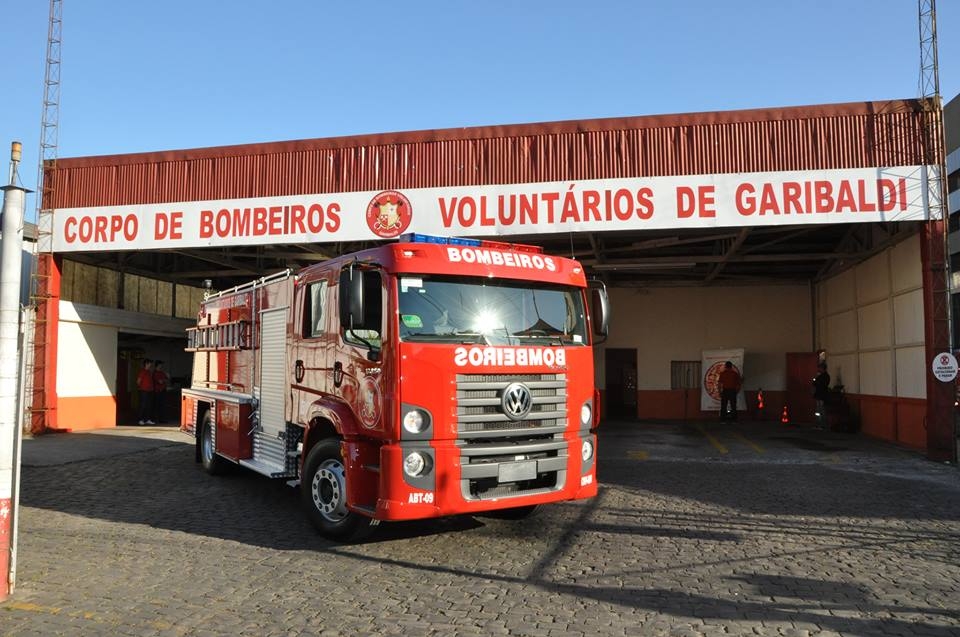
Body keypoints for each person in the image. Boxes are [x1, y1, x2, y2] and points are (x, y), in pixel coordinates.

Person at [136, 359, 155, 425]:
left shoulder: (149, 372)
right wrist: (141, 388)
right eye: (150, 363)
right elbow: (138, 381)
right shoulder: (142, 371)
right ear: (146, 364)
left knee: (148, 406)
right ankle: (140, 419)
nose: (151, 365)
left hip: (149, 391)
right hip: (143, 391)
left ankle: (147, 419)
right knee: (142, 405)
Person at [812, 362, 831, 427]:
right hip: (819, 395)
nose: (818, 369)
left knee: (821, 409)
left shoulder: (825, 376)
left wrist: (815, 380)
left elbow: (818, 384)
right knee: (818, 410)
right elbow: (814, 383)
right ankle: (818, 422)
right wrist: (815, 380)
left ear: (822, 368)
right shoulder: (822, 376)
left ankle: (823, 423)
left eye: (819, 368)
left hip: (822, 395)